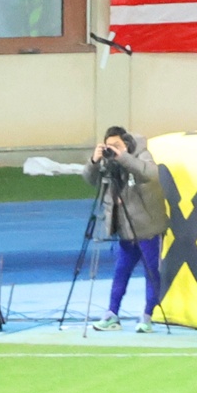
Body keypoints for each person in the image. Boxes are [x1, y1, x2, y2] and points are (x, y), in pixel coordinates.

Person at [84, 126, 169, 329]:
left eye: (117, 145)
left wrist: (123, 157)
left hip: (147, 227)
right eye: (109, 146)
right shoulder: (108, 161)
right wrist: (94, 162)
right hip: (125, 229)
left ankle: (147, 316)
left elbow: (151, 174)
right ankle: (112, 313)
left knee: (152, 273)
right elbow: (90, 180)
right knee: (121, 271)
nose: (112, 150)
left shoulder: (141, 154)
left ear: (127, 144)